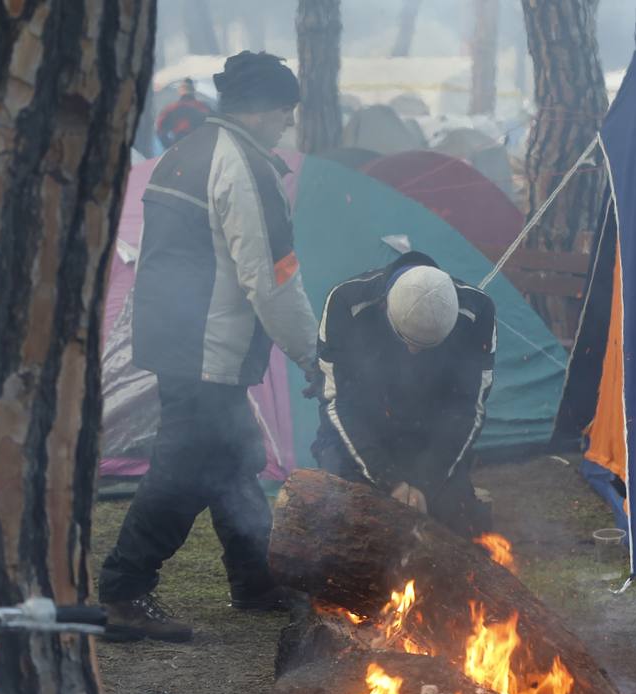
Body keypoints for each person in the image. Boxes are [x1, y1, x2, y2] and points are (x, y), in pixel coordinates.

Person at [98, 52, 318, 642]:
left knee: (235, 457)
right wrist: (312, 356)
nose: (287, 125)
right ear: (267, 109)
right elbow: (271, 277)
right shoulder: (243, 164)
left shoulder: (183, 152)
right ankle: (123, 589)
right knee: (184, 470)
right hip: (206, 346)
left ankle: (255, 580)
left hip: (175, 337)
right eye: (286, 112)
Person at [312, 252, 496, 537]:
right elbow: (338, 404)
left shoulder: (476, 312)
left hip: (428, 443)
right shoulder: (347, 303)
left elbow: (468, 409)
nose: (414, 353)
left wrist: (425, 481)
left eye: (427, 346)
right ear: (386, 306)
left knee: (459, 521)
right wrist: (390, 481)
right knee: (346, 518)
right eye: (406, 340)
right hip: (356, 439)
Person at [155, 78, 211, 150]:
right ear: (193, 90)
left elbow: (159, 128)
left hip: (179, 147)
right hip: (200, 148)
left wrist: (168, 146)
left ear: (181, 91)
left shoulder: (171, 108)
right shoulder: (204, 108)